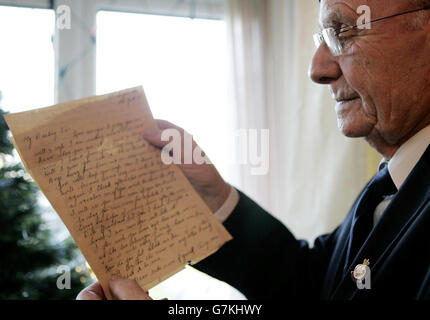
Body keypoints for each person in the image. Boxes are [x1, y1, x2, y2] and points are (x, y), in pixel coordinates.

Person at [78, 0, 430, 300]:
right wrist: (215, 201)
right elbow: (309, 284)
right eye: (323, 36)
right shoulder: (392, 181)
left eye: (343, 31)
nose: (317, 69)